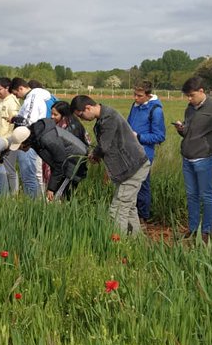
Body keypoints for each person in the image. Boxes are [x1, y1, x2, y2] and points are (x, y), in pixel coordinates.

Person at [71, 96, 150, 236]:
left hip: (132, 167)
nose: (82, 119)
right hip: (132, 166)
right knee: (129, 206)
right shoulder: (104, 116)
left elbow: (104, 146)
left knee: (118, 208)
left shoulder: (108, 118)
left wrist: (95, 154)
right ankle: (136, 241)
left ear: (88, 108)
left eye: (81, 115)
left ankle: (118, 244)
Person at [172, 77, 212, 239]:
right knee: (191, 195)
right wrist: (181, 129)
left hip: (205, 159)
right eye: (187, 96)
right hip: (187, 157)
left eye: (191, 95)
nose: (189, 99)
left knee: (206, 195)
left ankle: (206, 231)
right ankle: (193, 229)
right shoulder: (190, 108)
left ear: (201, 91)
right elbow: (188, 131)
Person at [17, 117, 89, 201]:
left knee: (57, 196)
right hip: (64, 163)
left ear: (25, 141)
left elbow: (60, 163)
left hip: (73, 162)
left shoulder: (47, 139)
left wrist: (51, 188)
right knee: (59, 196)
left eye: (19, 147)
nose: (19, 149)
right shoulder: (36, 137)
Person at [127, 81, 166, 222]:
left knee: (142, 185)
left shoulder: (156, 110)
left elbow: (160, 136)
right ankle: (131, 214)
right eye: (134, 95)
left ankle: (143, 216)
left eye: (139, 95)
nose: (135, 98)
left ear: (148, 95)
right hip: (130, 151)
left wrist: (139, 137)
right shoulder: (135, 106)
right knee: (129, 184)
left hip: (144, 154)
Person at [10, 77, 53, 199]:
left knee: (29, 175)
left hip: (31, 141)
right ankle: (41, 201)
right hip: (44, 139)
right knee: (39, 174)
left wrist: (15, 119)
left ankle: (33, 203)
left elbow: (28, 122)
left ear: (21, 88)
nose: (17, 97)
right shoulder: (45, 95)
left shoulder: (33, 97)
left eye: (16, 93)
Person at [0, 77, 21, 194]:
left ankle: (14, 194)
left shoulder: (12, 102)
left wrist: (10, 140)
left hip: (9, 141)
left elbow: (15, 122)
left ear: (7, 88)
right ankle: (2, 192)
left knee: (9, 170)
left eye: (0, 89)